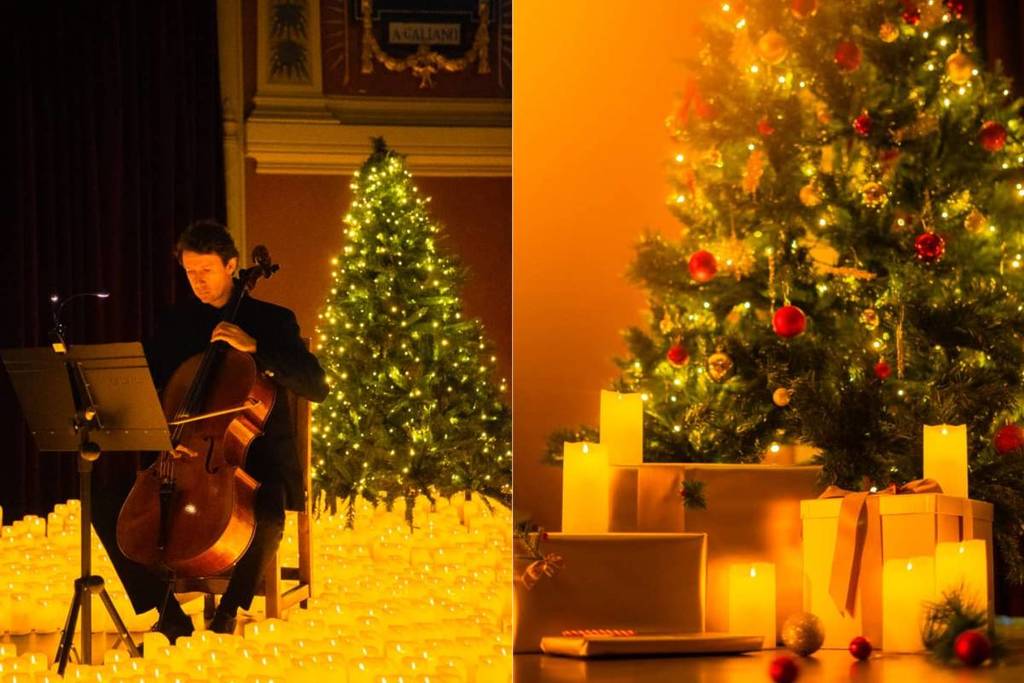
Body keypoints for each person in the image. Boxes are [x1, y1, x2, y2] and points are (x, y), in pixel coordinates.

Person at [91, 220, 329, 642]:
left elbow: (316, 385)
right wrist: (160, 435)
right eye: (190, 272)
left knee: (267, 514)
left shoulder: (273, 321)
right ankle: (168, 615)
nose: (197, 281)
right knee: (105, 504)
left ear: (232, 266)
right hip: (182, 454)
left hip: (257, 461)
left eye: (206, 271)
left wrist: (256, 348)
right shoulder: (176, 322)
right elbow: (148, 384)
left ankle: (227, 615)